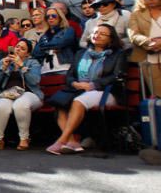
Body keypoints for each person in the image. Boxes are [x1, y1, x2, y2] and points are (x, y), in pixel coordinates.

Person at [45, 24, 128, 155]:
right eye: (95, 32)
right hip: (79, 89)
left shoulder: (118, 54)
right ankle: (72, 142)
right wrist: (74, 83)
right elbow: (70, 75)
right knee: (60, 105)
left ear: (111, 39)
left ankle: (61, 141)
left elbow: (117, 76)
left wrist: (93, 85)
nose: (97, 35)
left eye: (102, 33)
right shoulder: (81, 53)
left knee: (78, 101)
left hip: (106, 91)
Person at [0, 39, 43, 151]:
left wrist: (22, 66)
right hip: (10, 93)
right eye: (17, 47)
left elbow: (35, 81)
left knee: (20, 105)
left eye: (22, 49)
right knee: (1, 106)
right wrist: (3, 68)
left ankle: (24, 139)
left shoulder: (33, 62)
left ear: (27, 53)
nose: (18, 50)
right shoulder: (5, 61)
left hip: (30, 93)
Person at [128, 0, 161, 97]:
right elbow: (133, 35)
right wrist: (149, 42)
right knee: (159, 96)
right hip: (149, 58)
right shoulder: (136, 14)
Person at [32, 7, 76, 74]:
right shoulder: (44, 35)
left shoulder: (68, 30)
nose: (50, 18)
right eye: (47, 16)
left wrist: (45, 47)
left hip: (64, 68)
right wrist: (51, 49)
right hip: (46, 70)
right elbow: (35, 53)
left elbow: (60, 43)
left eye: (54, 15)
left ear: (60, 17)